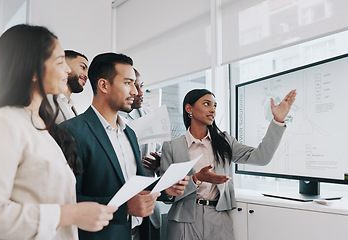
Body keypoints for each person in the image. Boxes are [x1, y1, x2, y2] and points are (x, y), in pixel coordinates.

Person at [0, 24, 117, 240]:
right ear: (33, 69)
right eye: (60, 61)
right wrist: (69, 214)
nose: (67, 70)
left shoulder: (43, 127)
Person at [60, 52, 188, 240]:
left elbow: (135, 183)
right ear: (104, 85)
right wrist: (123, 208)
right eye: (128, 83)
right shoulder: (69, 132)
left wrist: (165, 187)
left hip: (133, 233)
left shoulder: (130, 133)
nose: (135, 92)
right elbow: (65, 199)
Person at [160, 88, 297, 240]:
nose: (212, 109)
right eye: (207, 104)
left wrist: (277, 121)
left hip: (218, 217)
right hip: (183, 220)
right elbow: (167, 195)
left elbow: (261, 157)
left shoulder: (224, 142)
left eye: (215, 106)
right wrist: (196, 179)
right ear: (189, 108)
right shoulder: (171, 147)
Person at [118, 68, 161, 177]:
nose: (140, 93)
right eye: (131, 85)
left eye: (140, 86)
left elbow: (161, 149)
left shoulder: (150, 115)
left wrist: (159, 163)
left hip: (148, 184)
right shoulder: (111, 118)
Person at [48, 50, 89, 123]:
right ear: (65, 65)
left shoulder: (72, 108)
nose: (86, 76)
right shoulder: (46, 100)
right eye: (83, 67)